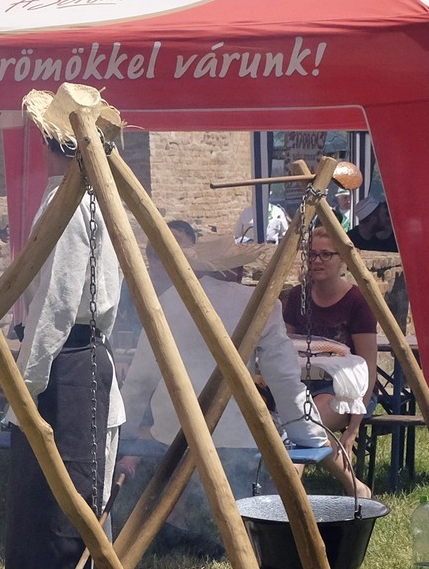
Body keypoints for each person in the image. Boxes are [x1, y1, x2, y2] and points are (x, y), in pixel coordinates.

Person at [7, 104, 126, 569]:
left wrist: (25, 386)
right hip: (77, 363)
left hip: (67, 371)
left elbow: (57, 304)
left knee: (66, 506)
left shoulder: (72, 203)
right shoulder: (94, 199)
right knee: (64, 502)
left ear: (52, 145)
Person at [118, 232, 315, 551]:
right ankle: (266, 526)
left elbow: (140, 379)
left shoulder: (167, 302)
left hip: (175, 433)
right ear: (238, 271)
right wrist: (305, 432)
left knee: (178, 443)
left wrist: (124, 433)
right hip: (237, 434)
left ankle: (175, 524)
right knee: (272, 445)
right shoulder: (260, 304)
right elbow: (283, 378)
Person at [283, 223, 378, 497]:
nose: (317, 261)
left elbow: (368, 368)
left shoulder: (357, 302)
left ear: (342, 259)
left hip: (348, 390)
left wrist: (354, 427)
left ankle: (288, 495)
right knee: (297, 420)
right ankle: (355, 488)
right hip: (301, 385)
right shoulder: (297, 297)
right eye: (312, 254)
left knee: (305, 421)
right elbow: (285, 351)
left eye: (326, 254)